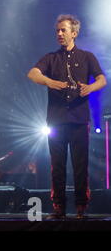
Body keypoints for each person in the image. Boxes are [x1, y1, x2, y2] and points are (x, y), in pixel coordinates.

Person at [28, 14, 106, 219]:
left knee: (80, 164)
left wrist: (90, 88)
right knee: (57, 165)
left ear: (74, 32)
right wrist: (50, 82)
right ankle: (59, 208)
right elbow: (32, 74)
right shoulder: (51, 58)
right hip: (55, 119)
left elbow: (102, 79)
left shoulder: (87, 56)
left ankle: (81, 206)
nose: (60, 34)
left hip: (79, 119)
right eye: (57, 31)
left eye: (63, 30)